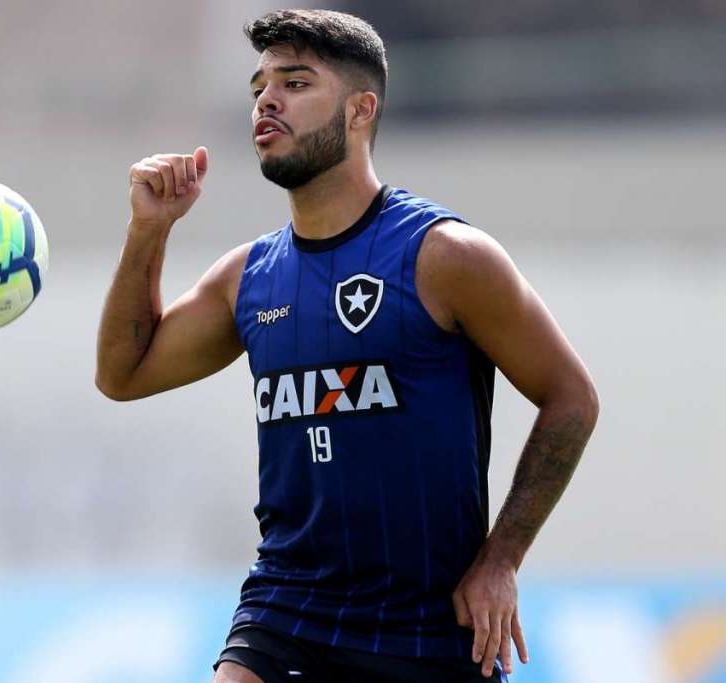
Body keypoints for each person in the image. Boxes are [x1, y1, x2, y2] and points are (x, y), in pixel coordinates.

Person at [95, 9, 599, 682]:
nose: (267, 100)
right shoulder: (248, 277)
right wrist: (148, 231)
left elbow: (572, 399)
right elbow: (122, 374)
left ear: (361, 110)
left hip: (430, 626)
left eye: (296, 82)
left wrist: (502, 558)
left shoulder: (444, 257)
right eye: (259, 86)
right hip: (286, 611)